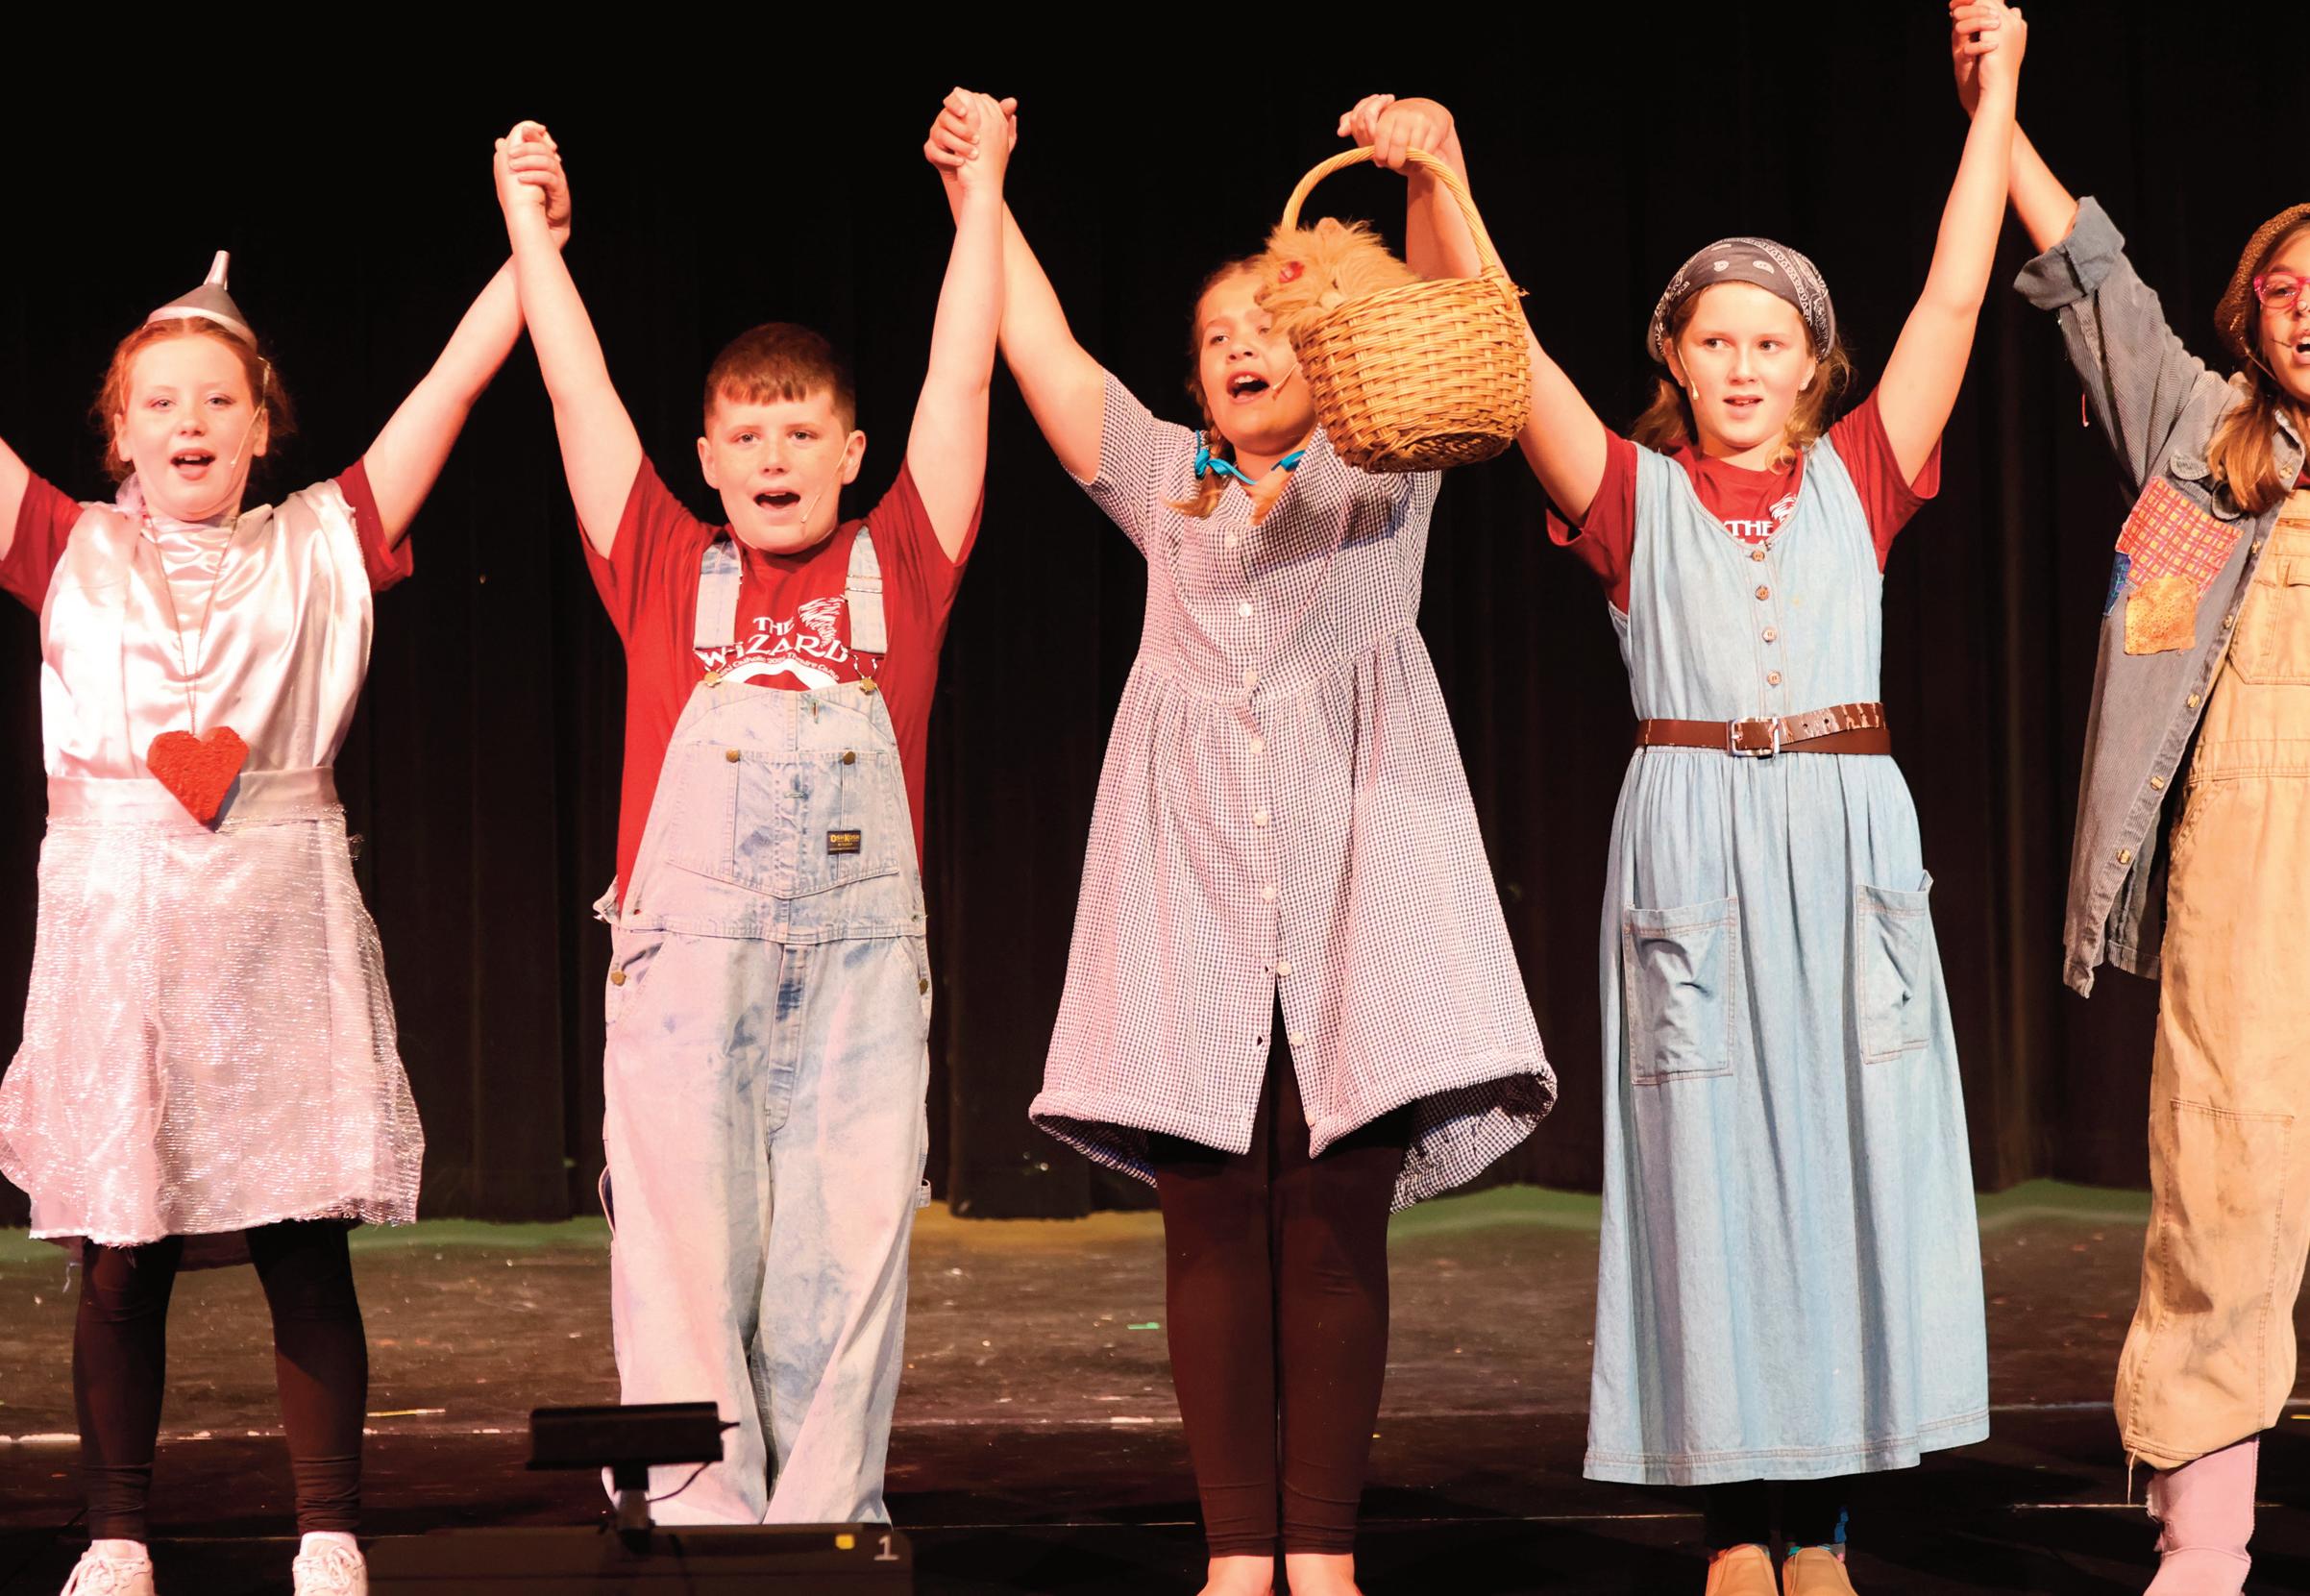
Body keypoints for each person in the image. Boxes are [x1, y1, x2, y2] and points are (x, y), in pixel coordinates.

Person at [1358, 11, 2022, 1591]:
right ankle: (1735, 1523)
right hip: (1695, 842)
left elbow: (1955, 293)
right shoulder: (1631, 494)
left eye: (1770, 344)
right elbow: (1501, 350)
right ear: (1675, 358)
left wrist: (1996, 102)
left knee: (1850, 1162)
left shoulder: (1862, 475)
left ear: (1814, 365)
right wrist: (1441, 174)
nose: (1741, 367)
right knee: (1706, 1178)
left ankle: (1826, 1524)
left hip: (1846, 836)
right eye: (1715, 342)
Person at [925, 90, 1554, 1596]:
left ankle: (1321, 1555)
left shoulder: (1381, 468)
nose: (1243, 346)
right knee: (1207, 1223)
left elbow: (1454, 325)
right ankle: (1234, 1556)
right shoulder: (1167, 483)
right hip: (1190, 896)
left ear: (1329, 347)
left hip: (1358, 895)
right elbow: (1042, 351)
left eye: (1271, 324)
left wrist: (1435, 168)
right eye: (1218, 336)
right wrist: (980, 188)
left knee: (1334, 1221)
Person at [0, 135, 571, 1596]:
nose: (189, 421)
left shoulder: (324, 541)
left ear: (262, 425)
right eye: (159, 402)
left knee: (302, 1239)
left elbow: (452, 388)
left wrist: (530, 244)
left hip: (273, 921)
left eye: (218, 399)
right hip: (121, 932)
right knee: (119, 1251)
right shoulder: (64, 545)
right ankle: (116, 1534)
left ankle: (328, 1528)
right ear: (117, 432)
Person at [499, 94, 1002, 1525]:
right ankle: (697, 1531)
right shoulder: (665, 562)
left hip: (859, 977)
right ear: (707, 458)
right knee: (679, 1253)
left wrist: (982, 199)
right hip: (687, 972)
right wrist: (530, 232)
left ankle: (830, 1529)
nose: (774, 456)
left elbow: (962, 379)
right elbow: (575, 392)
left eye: (801, 430)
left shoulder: (904, 563)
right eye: (745, 434)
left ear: (853, 451)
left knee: (849, 1261)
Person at [1967, 0, 2310, 1585]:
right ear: (2252, 315)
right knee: (2225, 1180)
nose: (2309, 312)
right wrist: (1999, 102)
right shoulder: (2198, 435)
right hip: (2245, 854)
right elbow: (2087, 272)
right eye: (2287, 289)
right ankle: (2207, 1541)